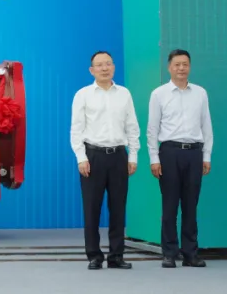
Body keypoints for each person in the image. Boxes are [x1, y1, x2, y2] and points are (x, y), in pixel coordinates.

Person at [70, 50, 140, 270]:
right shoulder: (83, 95)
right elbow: (76, 129)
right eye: (99, 65)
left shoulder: (124, 94)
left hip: (119, 155)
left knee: (118, 207)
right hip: (93, 156)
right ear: (92, 70)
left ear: (113, 67)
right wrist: (81, 158)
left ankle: (116, 255)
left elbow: (132, 127)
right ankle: (94, 255)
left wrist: (133, 155)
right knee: (92, 208)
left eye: (108, 64)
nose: (104, 68)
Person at [147, 49, 212, 268]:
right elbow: (152, 129)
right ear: (169, 67)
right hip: (169, 152)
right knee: (170, 205)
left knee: (191, 205)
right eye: (177, 64)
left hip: (194, 152)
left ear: (190, 67)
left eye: (185, 64)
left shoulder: (200, 93)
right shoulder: (159, 94)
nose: (181, 68)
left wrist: (206, 155)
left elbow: (206, 125)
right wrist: (154, 158)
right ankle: (169, 252)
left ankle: (190, 253)